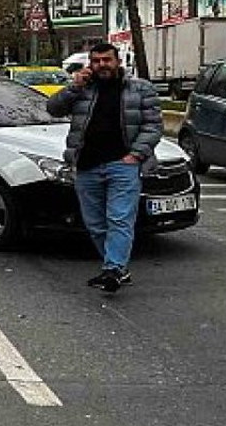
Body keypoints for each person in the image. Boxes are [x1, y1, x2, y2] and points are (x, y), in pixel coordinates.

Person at [47, 42, 162, 293]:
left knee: (119, 219)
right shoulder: (82, 89)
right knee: (95, 224)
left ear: (117, 62)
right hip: (87, 165)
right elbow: (53, 109)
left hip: (123, 165)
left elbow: (153, 126)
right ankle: (118, 267)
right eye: (96, 61)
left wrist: (135, 155)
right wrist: (74, 86)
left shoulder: (140, 89)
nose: (102, 65)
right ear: (90, 64)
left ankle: (113, 269)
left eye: (106, 60)